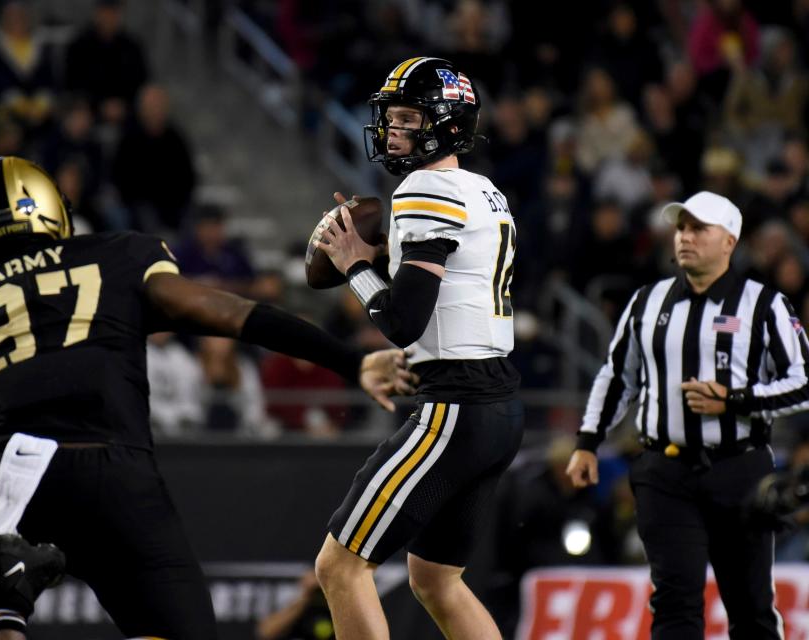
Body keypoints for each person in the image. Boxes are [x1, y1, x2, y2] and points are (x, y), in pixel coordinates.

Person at [0, 156, 415, 640]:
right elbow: (233, 314)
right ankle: (4, 602)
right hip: (119, 472)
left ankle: (5, 602)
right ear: (54, 210)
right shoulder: (117, 254)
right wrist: (351, 360)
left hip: (21, 473)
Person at [312, 57, 523, 640]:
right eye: (392, 117)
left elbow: (402, 321)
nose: (392, 129)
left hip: (455, 405)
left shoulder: (425, 187)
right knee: (436, 579)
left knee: (339, 566)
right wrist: (382, 258)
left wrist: (355, 264)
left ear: (448, 124)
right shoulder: (485, 190)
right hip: (500, 403)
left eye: (408, 117)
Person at [566, 190, 807, 639]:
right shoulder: (646, 301)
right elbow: (619, 377)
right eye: (680, 228)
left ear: (729, 241)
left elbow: (804, 382)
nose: (685, 237)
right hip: (665, 471)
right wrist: (587, 443)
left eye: (699, 228)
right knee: (674, 602)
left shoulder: (765, 304)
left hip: (740, 470)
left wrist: (735, 399)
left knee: (750, 605)